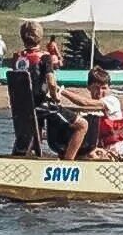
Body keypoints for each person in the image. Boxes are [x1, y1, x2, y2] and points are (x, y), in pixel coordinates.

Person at [16, 20, 83, 160]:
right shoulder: (44, 58)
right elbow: (51, 83)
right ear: (40, 37)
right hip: (41, 105)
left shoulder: (17, 57)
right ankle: (68, 164)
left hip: (23, 106)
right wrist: (55, 97)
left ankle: (26, 155)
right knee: (82, 125)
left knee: (36, 131)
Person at [60, 67, 123, 160]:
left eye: (104, 88)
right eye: (96, 88)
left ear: (109, 88)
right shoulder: (89, 110)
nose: (100, 92)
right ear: (88, 88)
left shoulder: (112, 100)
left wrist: (61, 91)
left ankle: (68, 161)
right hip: (98, 150)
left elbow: (84, 103)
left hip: (116, 151)